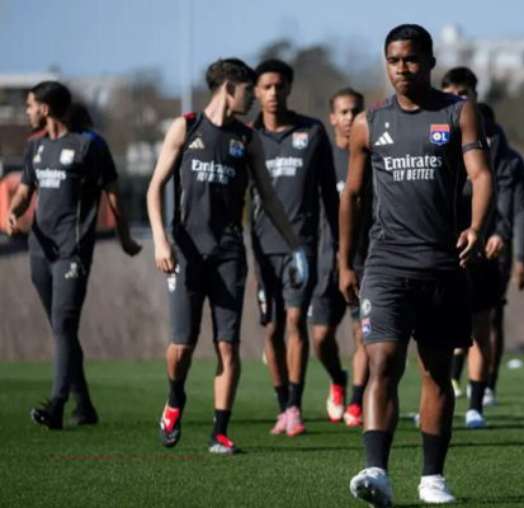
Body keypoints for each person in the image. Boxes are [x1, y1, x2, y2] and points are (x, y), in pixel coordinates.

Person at [340, 25, 493, 505]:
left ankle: (432, 478)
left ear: (429, 62)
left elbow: (481, 174)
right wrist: (345, 263)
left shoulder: (458, 112)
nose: (401, 69)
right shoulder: (369, 122)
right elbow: (353, 195)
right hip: (386, 264)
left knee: (435, 372)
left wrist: (477, 226)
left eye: (410, 59)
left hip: (443, 265)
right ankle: (375, 470)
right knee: (382, 362)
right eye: (393, 60)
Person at [147, 58, 307, 454]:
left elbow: (269, 198)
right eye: (249, 90)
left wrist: (296, 246)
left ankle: (219, 432)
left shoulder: (247, 138)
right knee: (182, 346)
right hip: (187, 252)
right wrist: (161, 241)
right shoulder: (186, 127)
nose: (254, 98)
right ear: (229, 88)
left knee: (228, 346)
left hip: (229, 254)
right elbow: (154, 188)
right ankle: (175, 397)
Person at [5, 81, 141, 429]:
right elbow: (24, 191)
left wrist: (124, 237)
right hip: (40, 250)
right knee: (61, 329)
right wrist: (13, 212)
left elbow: (113, 194)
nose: (27, 111)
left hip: (73, 250)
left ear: (45, 108)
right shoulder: (35, 146)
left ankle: (57, 404)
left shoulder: (90, 145)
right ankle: (85, 406)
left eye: (30, 105)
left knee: (64, 324)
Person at [250, 59, 339, 437]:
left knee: (295, 320)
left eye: (279, 86)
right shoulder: (247, 136)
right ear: (256, 92)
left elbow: (330, 194)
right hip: (261, 250)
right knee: (271, 329)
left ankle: (294, 407)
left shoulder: (312, 132)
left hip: (301, 247)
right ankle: (282, 403)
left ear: (288, 88)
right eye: (266, 87)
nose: (273, 93)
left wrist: (340, 245)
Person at [440, 67, 524, 417]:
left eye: (464, 93)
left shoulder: (497, 145)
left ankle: (481, 395)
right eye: (453, 93)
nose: (459, 99)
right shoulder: (436, 136)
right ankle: (445, 390)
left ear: (476, 95)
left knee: (486, 321)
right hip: (444, 247)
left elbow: (510, 201)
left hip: (487, 247)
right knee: (443, 327)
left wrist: (503, 237)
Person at [308, 87, 371, 426]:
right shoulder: (323, 157)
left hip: (365, 260)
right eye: (343, 112)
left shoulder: (371, 155)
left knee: (364, 334)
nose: (349, 117)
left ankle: (357, 401)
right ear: (333, 117)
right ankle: (337, 379)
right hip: (326, 260)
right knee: (320, 337)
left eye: (355, 111)